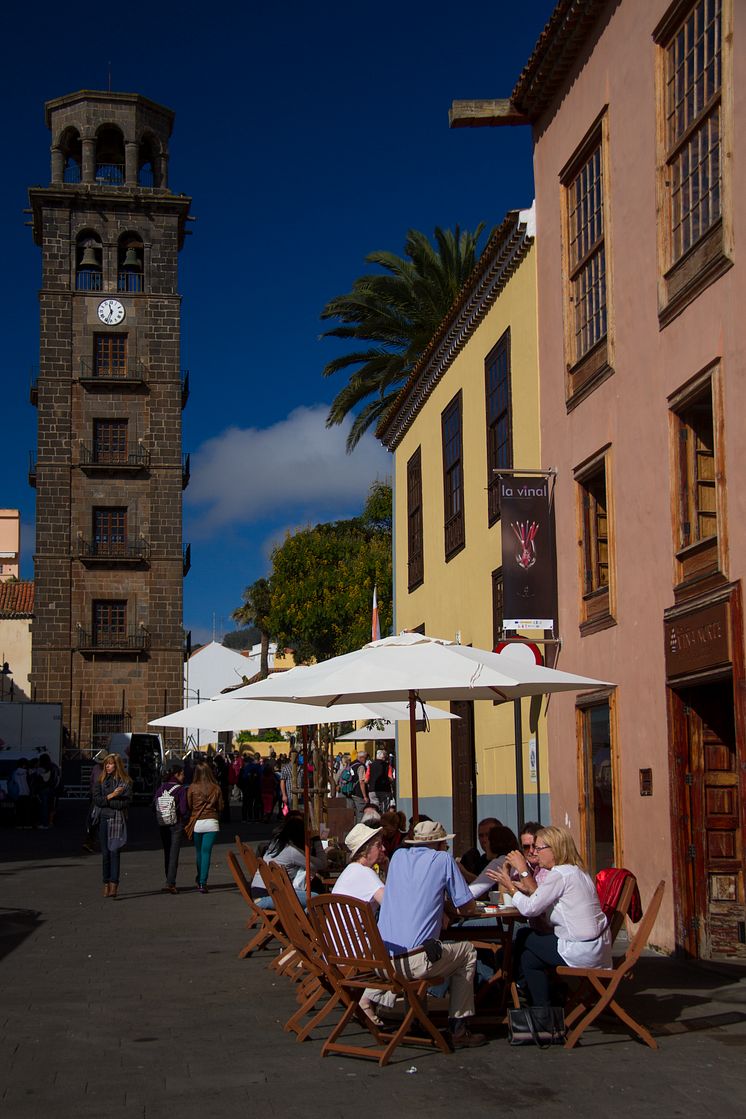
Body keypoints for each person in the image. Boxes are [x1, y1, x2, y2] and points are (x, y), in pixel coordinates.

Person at [377, 819, 487, 1048]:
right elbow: (466, 906)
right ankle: (459, 1027)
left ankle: (417, 1019)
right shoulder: (442, 859)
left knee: (421, 945)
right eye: (444, 844)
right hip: (414, 962)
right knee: (467, 952)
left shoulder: (397, 857)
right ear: (439, 844)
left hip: (383, 960)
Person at [490, 825, 612, 1008]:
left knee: (523, 937)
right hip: (597, 948)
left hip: (580, 950)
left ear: (555, 849)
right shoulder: (576, 871)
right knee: (529, 959)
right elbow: (544, 897)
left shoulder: (559, 874)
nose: (536, 853)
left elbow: (531, 909)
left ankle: (514, 987)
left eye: (539, 849)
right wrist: (522, 888)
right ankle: (543, 1010)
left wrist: (511, 886)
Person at [333, 823, 386, 1026]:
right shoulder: (365, 874)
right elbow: (392, 906)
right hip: (353, 952)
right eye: (378, 845)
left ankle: (375, 998)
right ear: (366, 850)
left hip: (336, 948)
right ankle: (368, 999)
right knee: (404, 952)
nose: (382, 850)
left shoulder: (350, 871)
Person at [250, 815, 328, 908]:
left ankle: (305, 918)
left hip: (258, 891)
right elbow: (322, 864)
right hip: (269, 896)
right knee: (317, 898)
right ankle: (308, 920)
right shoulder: (292, 851)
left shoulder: (276, 843)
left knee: (312, 890)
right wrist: (317, 841)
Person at [92, 754, 133, 898]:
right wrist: (111, 796)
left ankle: (114, 884)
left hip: (117, 818)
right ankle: (106, 882)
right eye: (106, 764)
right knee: (105, 853)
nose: (107, 767)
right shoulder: (100, 780)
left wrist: (108, 801)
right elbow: (97, 800)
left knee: (114, 851)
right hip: (103, 818)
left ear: (117, 765)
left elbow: (125, 802)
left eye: (110, 764)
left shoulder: (125, 782)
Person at [185, 762, 223, 893]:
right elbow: (221, 806)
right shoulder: (216, 788)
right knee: (206, 852)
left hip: (198, 822)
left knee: (199, 852)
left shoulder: (192, 787)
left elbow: (189, 805)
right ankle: (203, 882)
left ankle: (199, 877)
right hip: (212, 822)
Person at [153, 762, 189, 894]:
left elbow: (154, 805)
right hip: (176, 823)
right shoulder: (180, 789)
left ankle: (168, 879)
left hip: (163, 823)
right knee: (174, 853)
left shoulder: (161, 788)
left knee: (167, 852)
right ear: (177, 775)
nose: (184, 776)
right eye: (182, 774)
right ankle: (171, 882)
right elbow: (184, 809)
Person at [458, 817, 502, 881]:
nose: (484, 840)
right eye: (481, 836)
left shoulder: (508, 858)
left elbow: (484, 884)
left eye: (488, 835)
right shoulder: (481, 861)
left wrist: (464, 872)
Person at [366, 748, 394, 813]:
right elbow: (390, 778)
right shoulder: (388, 766)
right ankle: (384, 820)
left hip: (373, 790)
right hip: (385, 790)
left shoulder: (370, 766)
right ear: (383, 757)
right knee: (385, 809)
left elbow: (366, 780)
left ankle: (376, 820)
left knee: (374, 808)